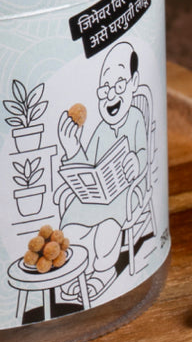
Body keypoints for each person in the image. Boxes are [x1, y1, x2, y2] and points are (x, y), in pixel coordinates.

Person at [55, 41, 148, 295]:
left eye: (119, 85)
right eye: (105, 89)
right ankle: (77, 273)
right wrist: (72, 148)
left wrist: (135, 162)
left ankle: (104, 271)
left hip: (125, 194)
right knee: (71, 230)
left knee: (106, 230)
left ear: (133, 82)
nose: (111, 95)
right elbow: (89, 165)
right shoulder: (101, 129)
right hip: (95, 199)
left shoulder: (135, 118)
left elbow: (142, 152)